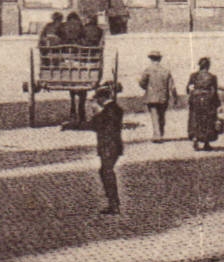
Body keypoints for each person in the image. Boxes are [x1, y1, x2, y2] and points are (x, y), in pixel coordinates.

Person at [62, 81, 127, 214]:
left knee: (106, 172)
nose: (96, 102)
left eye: (97, 100)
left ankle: (114, 204)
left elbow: (92, 125)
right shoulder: (115, 109)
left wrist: (70, 125)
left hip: (108, 146)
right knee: (105, 171)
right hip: (113, 146)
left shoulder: (107, 112)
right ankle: (113, 202)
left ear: (102, 98)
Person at [187, 57, 222, 151]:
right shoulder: (212, 77)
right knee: (208, 121)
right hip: (208, 100)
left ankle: (195, 138)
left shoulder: (193, 76)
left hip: (195, 100)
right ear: (208, 66)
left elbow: (188, 89)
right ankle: (206, 143)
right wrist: (218, 104)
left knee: (195, 119)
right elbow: (214, 91)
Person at [137, 51, 175, 141]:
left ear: (150, 59)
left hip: (151, 97)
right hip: (163, 97)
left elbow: (143, 83)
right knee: (162, 116)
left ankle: (157, 135)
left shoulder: (148, 70)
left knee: (154, 116)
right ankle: (161, 133)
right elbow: (171, 86)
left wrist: (143, 84)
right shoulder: (166, 71)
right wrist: (174, 97)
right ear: (160, 59)